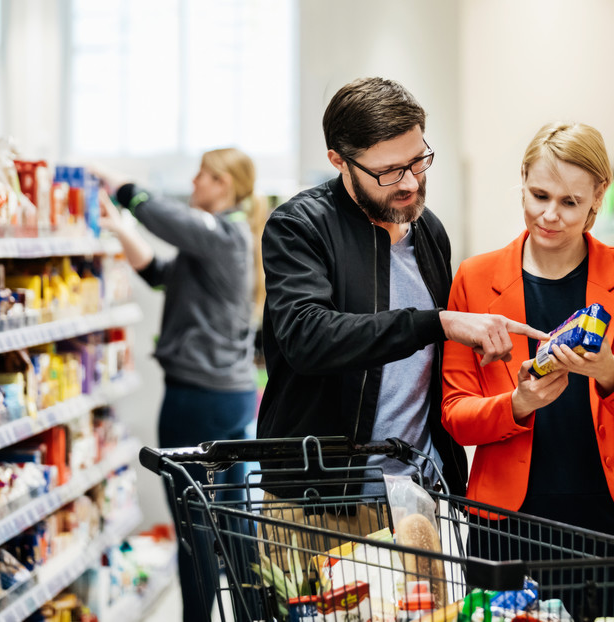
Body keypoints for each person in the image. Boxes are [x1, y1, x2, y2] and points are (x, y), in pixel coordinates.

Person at [257, 77, 546, 529]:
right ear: (339, 160)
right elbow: (308, 337)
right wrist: (438, 322)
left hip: (417, 495)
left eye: (419, 161)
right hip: (322, 501)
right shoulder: (299, 227)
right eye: (390, 171)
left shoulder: (429, 232)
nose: (411, 182)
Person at [440, 122, 614, 620]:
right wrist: (518, 404)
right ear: (522, 179)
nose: (550, 216)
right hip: (509, 522)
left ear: (597, 199)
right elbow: (456, 414)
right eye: (538, 194)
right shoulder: (475, 279)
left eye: (570, 202)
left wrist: (610, 371)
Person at [97, 148, 264, 622]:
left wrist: (124, 186)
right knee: (234, 525)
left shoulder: (223, 231)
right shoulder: (225, 241)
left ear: (226, 185)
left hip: (198, 398)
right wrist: (123, 230)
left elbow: (168, 222)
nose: (194, 182)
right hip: (229, 398)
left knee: (194, 529)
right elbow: (161, 274)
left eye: (205, 175)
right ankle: (252, 614)